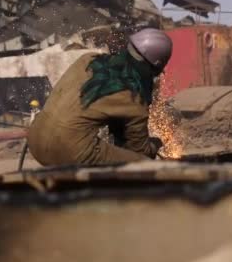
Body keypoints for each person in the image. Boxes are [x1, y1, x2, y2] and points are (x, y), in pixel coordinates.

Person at [27, 28, 172, 166]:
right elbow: (140, 151)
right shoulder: (134, 99)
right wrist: (155, 144)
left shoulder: (88, 60)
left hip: (35, 138)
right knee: (142, 164)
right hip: (69, 150)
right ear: (152, 68)